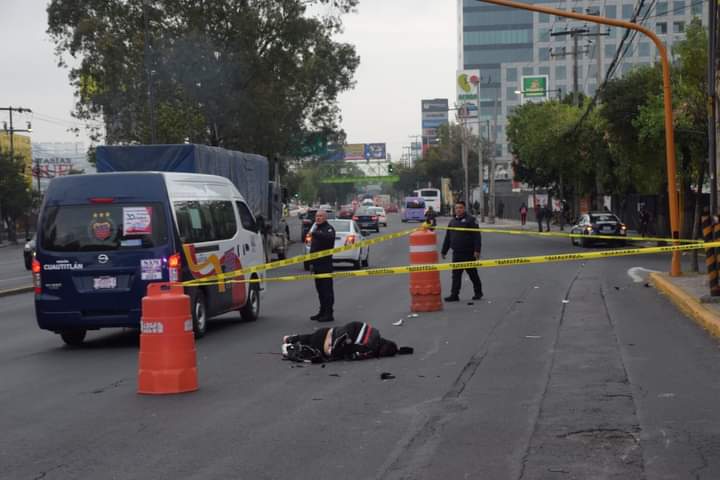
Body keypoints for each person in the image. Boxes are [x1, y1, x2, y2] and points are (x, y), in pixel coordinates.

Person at [281, 321, 413, 363]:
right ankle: (291, 343)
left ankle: (292, 338)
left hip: (328, 332)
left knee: (310, 337)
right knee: (311, 343)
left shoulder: (372, 331)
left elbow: (353, 325)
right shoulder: (370, 349)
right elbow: (352, 355)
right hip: (327, 346)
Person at [441, 201, 483, 301]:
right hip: (457, 253)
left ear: (464, 209)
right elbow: (448, 237)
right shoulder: (452, 221)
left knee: (472, 274)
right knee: (456, 275)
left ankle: (478, 292)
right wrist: (444, 251)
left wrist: (477, 250)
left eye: (460, 208)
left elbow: (477, 236)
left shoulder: (471, 220)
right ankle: (454, 295)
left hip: (468, 252)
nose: (458, 210)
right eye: (456, 208)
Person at [308, 210, 335, 322]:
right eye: (316, 216)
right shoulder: (316, 228)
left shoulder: (328, 228)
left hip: (325, 265)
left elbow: (328, 238)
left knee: (326, 290)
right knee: (319, 290)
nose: (318, 218)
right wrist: (311, 263)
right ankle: (322, 311)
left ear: (325, 217)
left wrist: (315, 234)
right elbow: (313, 248)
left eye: (320, 216)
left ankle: (329, 313)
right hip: (317, 264)